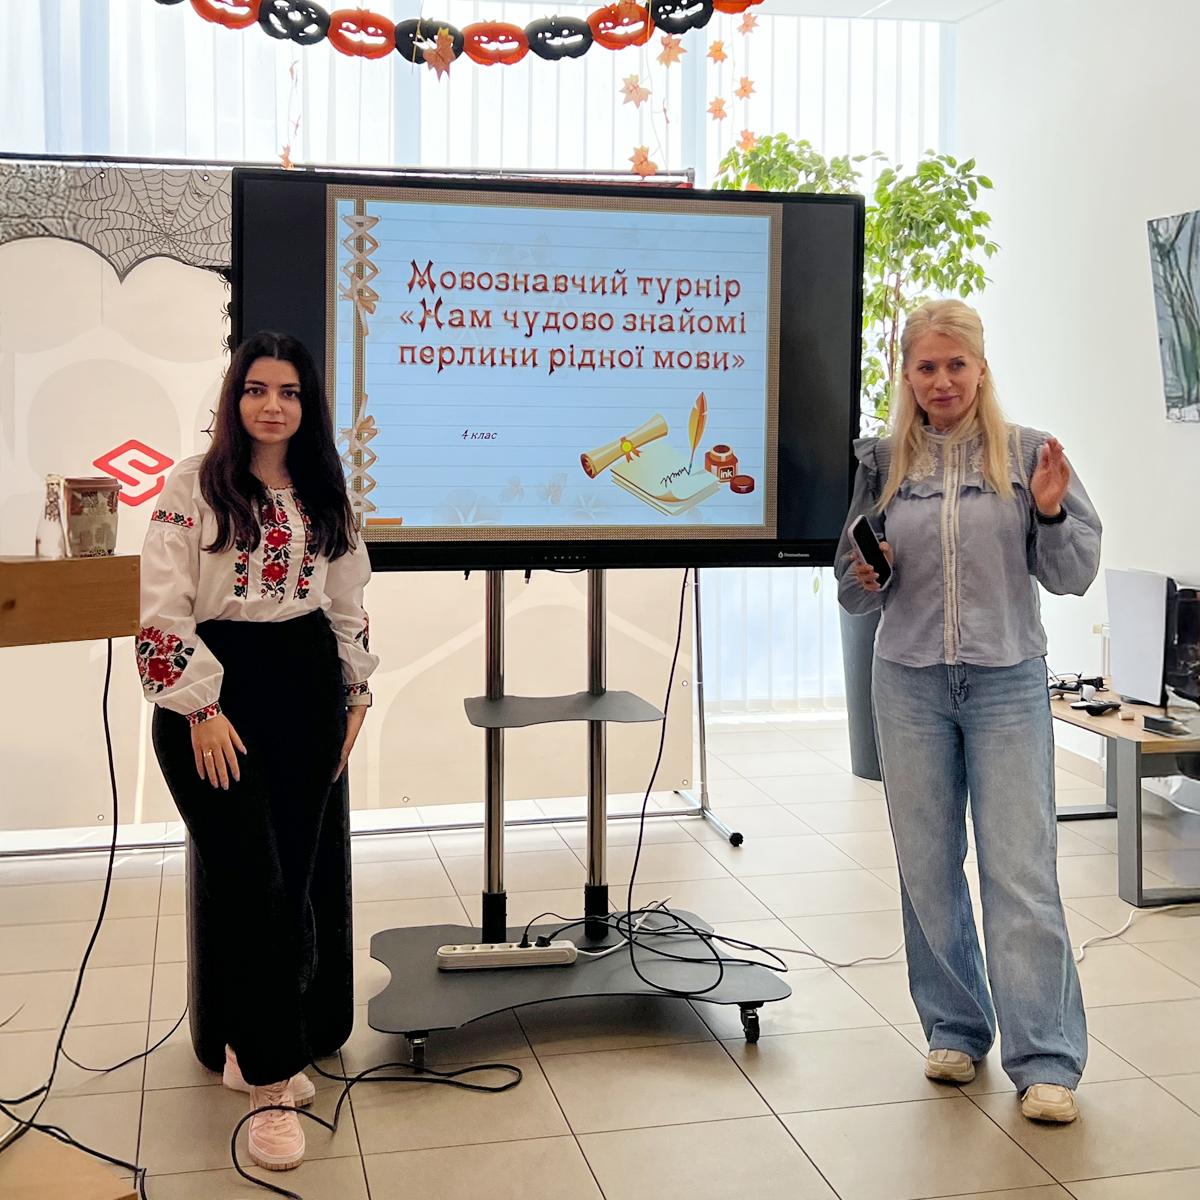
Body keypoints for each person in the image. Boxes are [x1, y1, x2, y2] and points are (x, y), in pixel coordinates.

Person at [836, 299, 1101, 1124]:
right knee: (926, 867)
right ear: (907, 376)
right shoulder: (881, 462)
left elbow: (1073, 574)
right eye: (927, 366)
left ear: (981, 369)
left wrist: (1049, 511)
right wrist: (867, 575)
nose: (943, 380)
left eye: (957, 364)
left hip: (1006, 684)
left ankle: (1046, 1059)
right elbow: (850, 587)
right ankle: (954, 1027)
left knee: (1019, 871)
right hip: (908, 685)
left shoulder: (1028, 455)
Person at [137, 331, 378, 1171]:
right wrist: (200, 707)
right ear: (233, 397)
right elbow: (162, 610)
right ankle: (273, 1087)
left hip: (305, 688)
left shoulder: (325, 491)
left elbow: (347, 600)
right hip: (213, 696)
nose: (272, 405)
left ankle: (251, 1049)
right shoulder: (190, 487)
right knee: (254, 888)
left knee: (294, 882)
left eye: (289, 392)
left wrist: (355, 693)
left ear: (307, 406)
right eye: (256, 389)